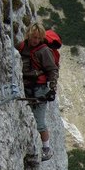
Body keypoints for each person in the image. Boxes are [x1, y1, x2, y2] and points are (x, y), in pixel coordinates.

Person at [18, 22, 58, 161]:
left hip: (40, 90)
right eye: (33, 37)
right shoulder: (22, 46)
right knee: (26, 118)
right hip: (26, 88)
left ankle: (46, 149)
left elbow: (52, 70)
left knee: (39, 121)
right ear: (28, 35)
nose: (35, 40)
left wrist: (52, 90)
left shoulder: (44, 51)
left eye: (38, 38)